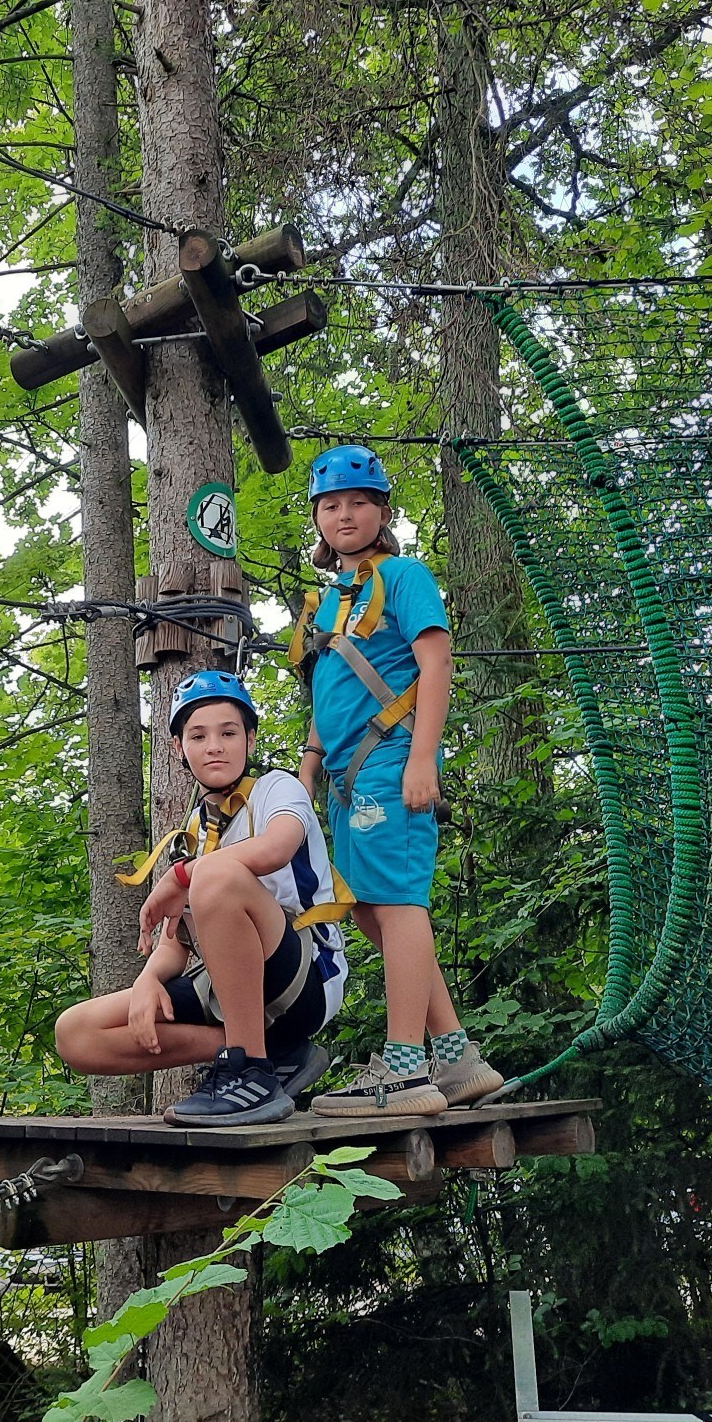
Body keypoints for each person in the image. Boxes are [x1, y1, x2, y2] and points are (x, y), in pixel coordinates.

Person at [291, 444, 502, 1117]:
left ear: (382, 512)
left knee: (400, 903)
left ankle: (405, 1069)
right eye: (331, 505)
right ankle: (457, 1059)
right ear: (318, 519)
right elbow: (330, 690)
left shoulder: (405, 576)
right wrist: (308, 769)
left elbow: (435, 664)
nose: (344, 514)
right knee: (367, 906)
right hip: (345, 777)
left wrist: (422, 759)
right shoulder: (330, 603)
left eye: (359, 502)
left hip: (392, 759)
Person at [55, 671, 348, 1126]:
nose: (215, 746)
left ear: (250, 740)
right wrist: (148, 981)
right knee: (77, 1033)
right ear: (179, 748)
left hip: (303, 980)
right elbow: (177, 940)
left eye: (229, 733)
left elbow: (275, 849)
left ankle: (249, 1070)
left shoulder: (277, 789)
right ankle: (268, 1054)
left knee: (217, 874)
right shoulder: (195, 829)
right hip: (231, 989)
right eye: (198, 736)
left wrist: (183, 875)